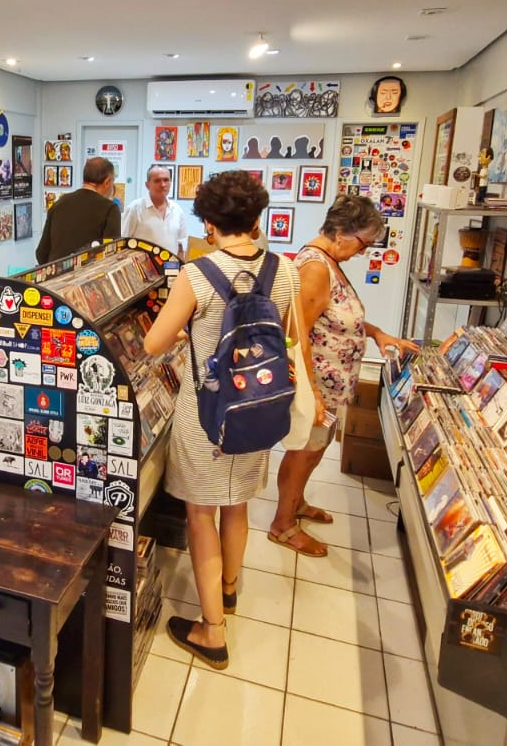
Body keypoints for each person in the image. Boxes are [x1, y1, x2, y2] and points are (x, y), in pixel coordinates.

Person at [143, 170, 298, 670]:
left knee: (200, 513)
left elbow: (152, 344)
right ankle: (228, 590)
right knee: (238, 505)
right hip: (258, 408)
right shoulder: (286, 270)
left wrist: (195, 333)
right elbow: (285, 337)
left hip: (205, 412)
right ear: (256, 219)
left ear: (209, 222)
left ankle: (212, 631)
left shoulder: (197, 274)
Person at [270, 196, 416, 556]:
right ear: (340, 233)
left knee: (315, 449)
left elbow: (338, 316)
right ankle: (282, 525)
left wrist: (377, 332)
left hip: (330, 387)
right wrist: (314, 395)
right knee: (303, 452)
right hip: (316, 385)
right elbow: (297, 332)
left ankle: (297, 504)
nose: (363, 253)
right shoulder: (316, 268)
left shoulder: (330, 262)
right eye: (362, 244)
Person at [35, 157, 120, 263]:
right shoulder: (110, 208)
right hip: (88, 276)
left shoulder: (59, 203)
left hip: (56, 276)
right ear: (107, 182)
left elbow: (41, 253)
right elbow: (111, 255)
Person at [121, 165, 190, 258]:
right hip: (143, 269)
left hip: (170, 269)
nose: (163, 185)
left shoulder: (177, 210)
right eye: (157, 181)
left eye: (166, 180)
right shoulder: (135, 209)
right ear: (147, 185)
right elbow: (123, 241)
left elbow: (181, 245)